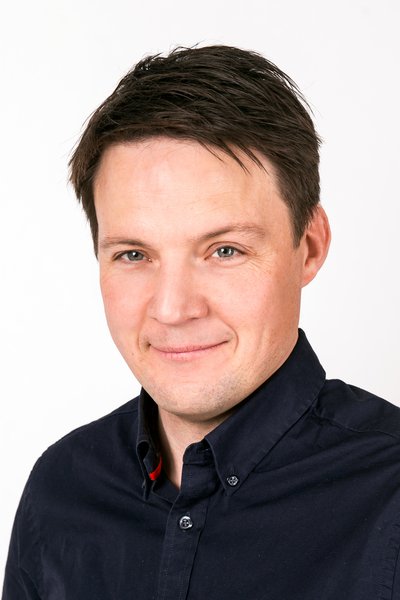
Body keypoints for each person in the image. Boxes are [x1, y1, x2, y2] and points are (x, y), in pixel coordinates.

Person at [2, 45, 400, 600]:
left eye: (224, 251)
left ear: (309, 247)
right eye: (134, 254)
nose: (173, 308)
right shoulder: (62, 489)